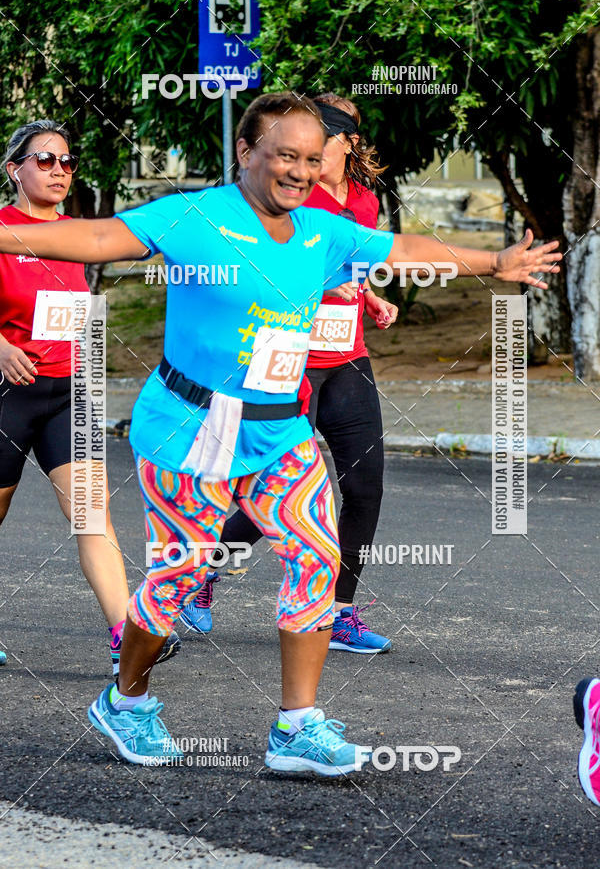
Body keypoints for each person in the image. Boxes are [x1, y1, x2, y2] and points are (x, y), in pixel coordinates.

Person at [0, 94, 561, 773]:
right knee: (175, 580)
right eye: (285, 155)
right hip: (191, 429)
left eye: (311, 157)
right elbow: (91, 239)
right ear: (247, 152)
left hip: (279, 429)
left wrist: (494, 264)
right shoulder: (196, 215)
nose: (300, 171)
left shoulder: (325, 234)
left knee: (317, 558)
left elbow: (407, 248)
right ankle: (127, 699)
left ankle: (297, 726)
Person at [181, 93, 399, 655]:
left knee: (365, 487)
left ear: (345, 143)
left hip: (346, 357)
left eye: (320, 137)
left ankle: (339, 612)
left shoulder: (365, 204)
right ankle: (202, 571)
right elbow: (265, 272)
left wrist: (367, 299)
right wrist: (323, 287)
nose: (304, 150)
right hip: (288, 361)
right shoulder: (290, 201)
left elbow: (352, 268)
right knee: (274, 491)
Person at [0, 120, 180, 674]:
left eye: (67, 162)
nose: (59, 171)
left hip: (69, 394)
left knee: (91, 515)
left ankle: (125, 633)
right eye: (46, 161)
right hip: (7, 394)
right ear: (15, 170)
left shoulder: (79, 235)